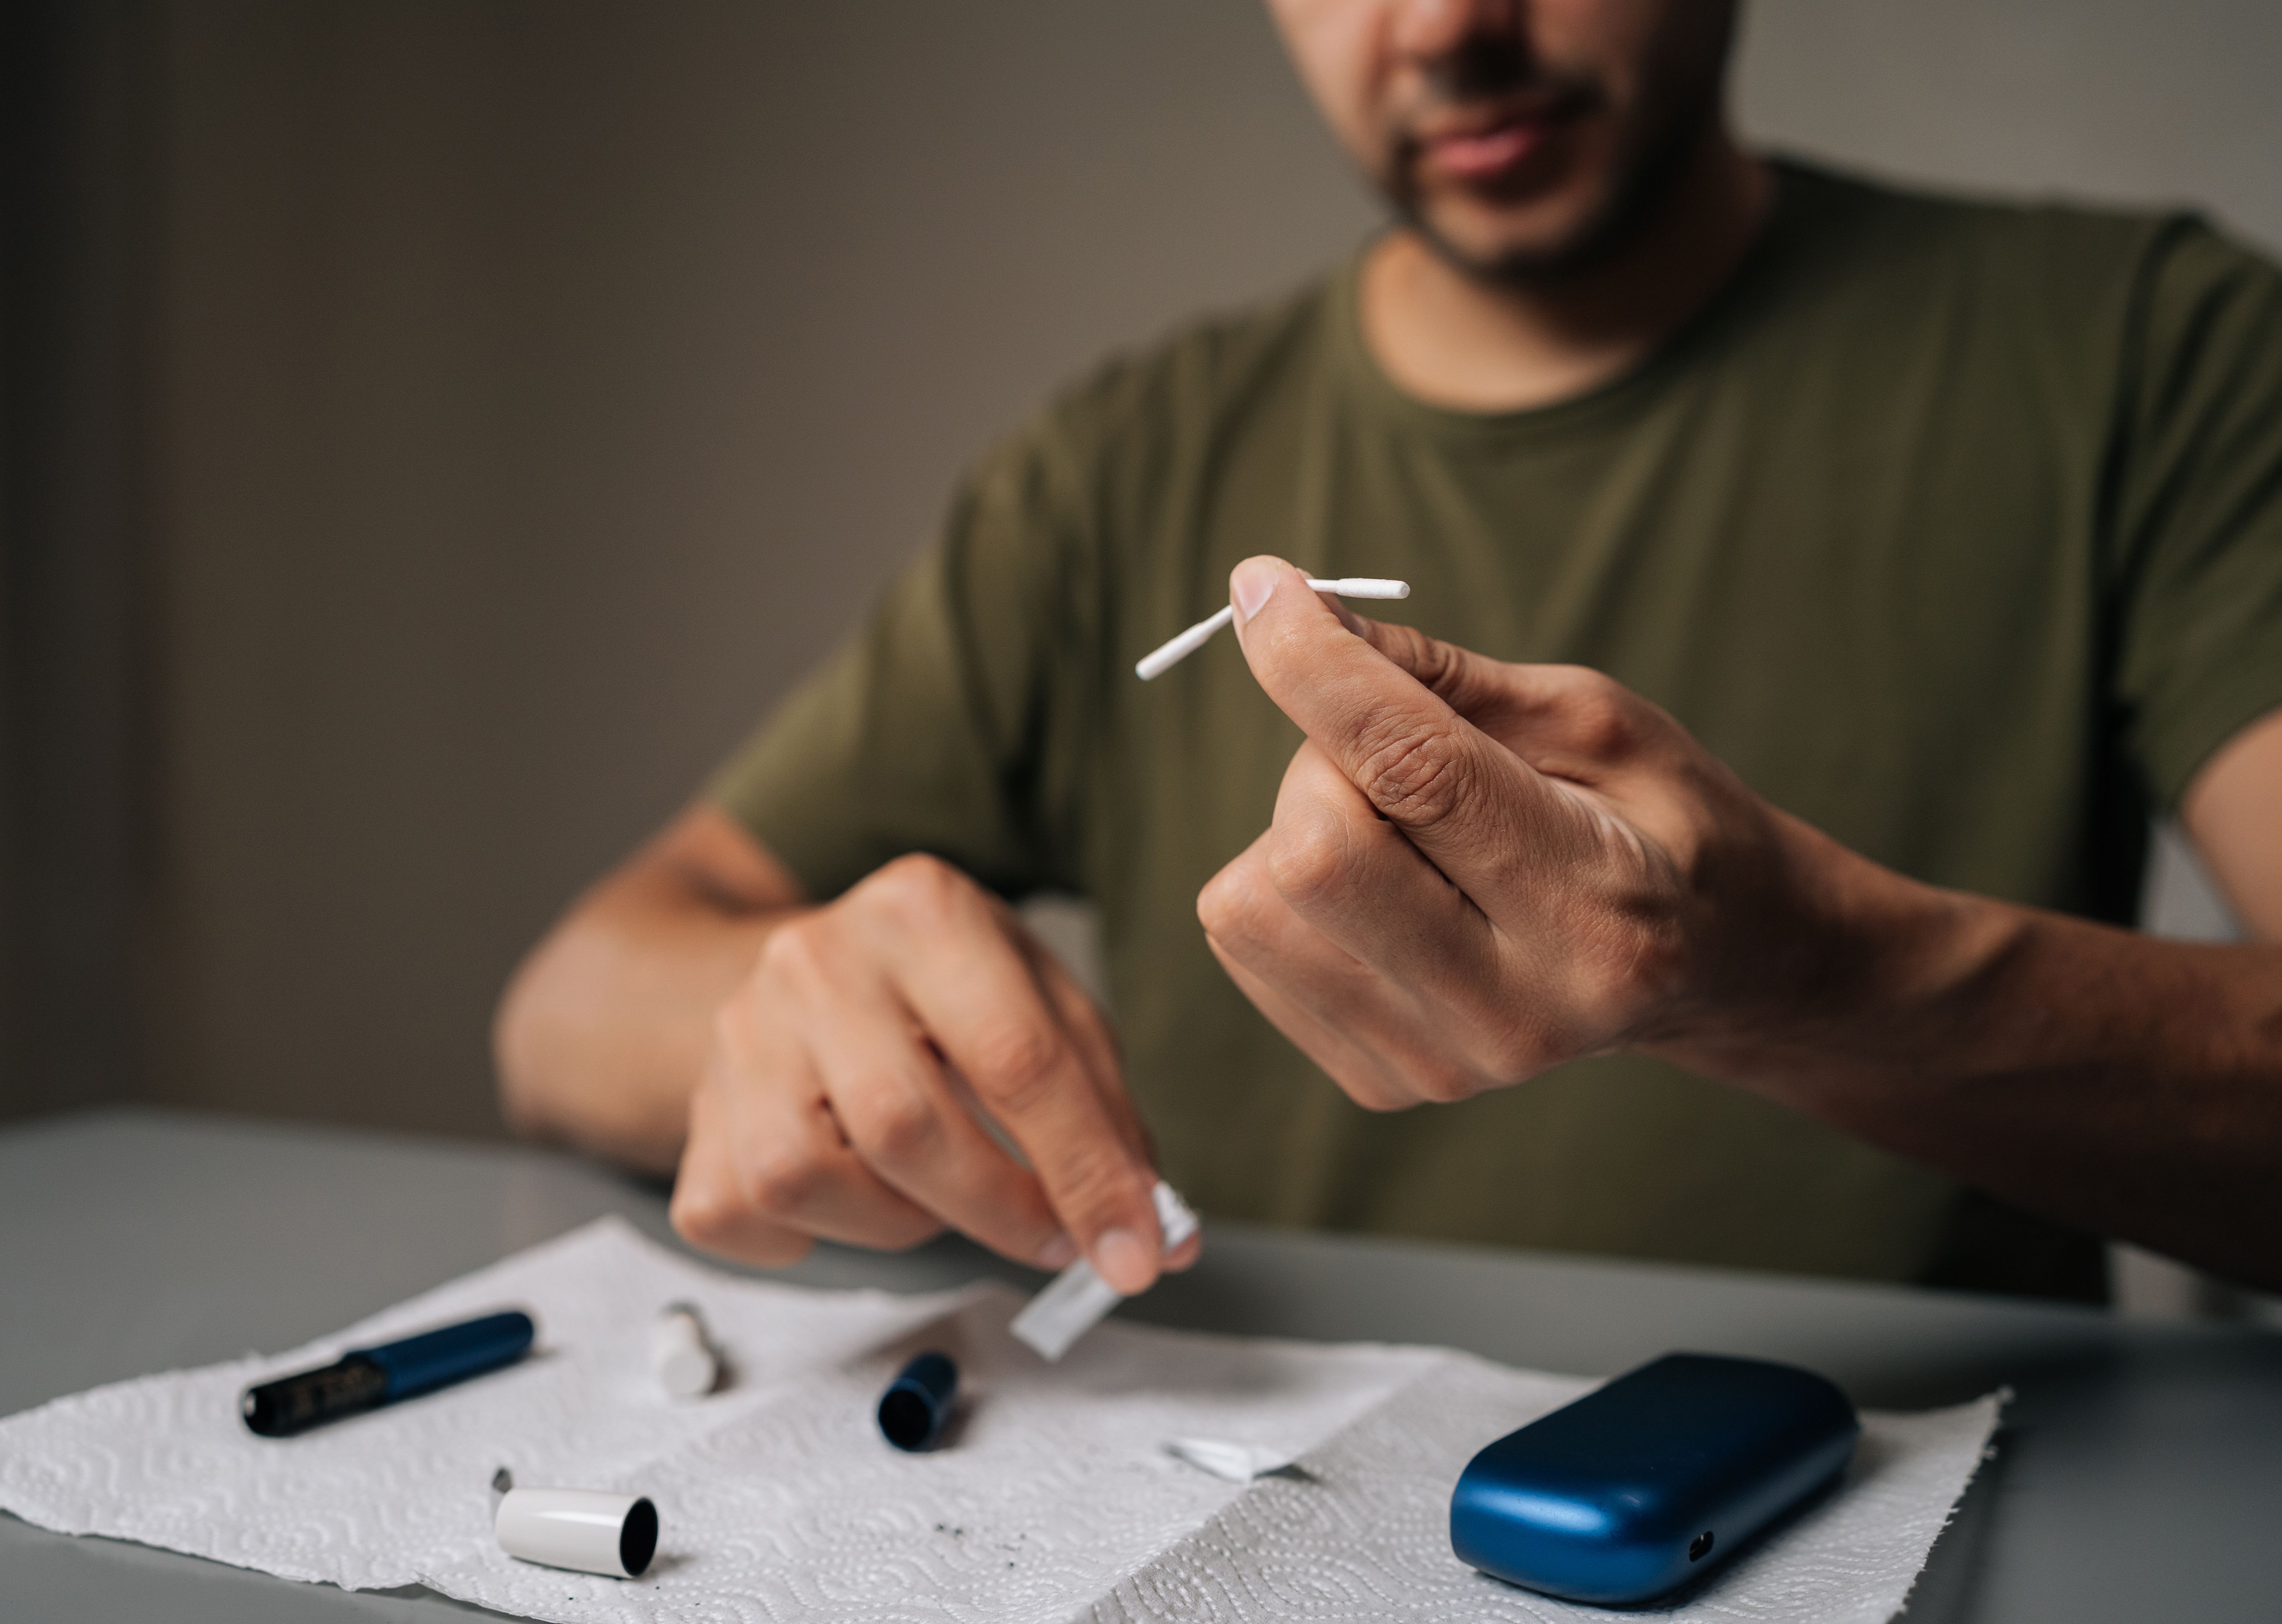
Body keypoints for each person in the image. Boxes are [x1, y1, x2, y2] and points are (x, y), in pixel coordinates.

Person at [494, 0, 2282, 1304]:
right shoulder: (1125, 465)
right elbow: (567, 1003)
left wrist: (1804, 977)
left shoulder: (2145, 357)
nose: (1446, 25)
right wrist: (795, 1010)